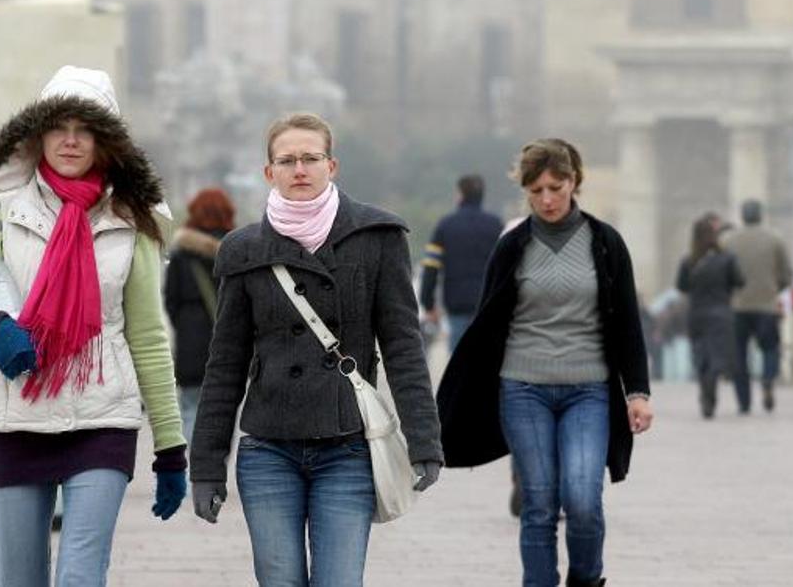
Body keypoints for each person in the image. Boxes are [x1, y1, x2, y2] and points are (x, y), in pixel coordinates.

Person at [0, 66, 186, 587]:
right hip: (16, 419)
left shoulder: (131, 220)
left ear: (106, 141)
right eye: (59, 127)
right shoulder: (3, 213)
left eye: (85, 129)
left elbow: (146, 336)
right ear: (37, 136)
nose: (71, 140)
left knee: (80, 576)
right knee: (19, 580)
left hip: (102, 422)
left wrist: (170, 445)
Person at [189, 112, 444, 586]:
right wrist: (206, 466)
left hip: (346, 445)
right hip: (269, 449)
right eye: (287, 160)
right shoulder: (242, 251)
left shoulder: (377, 237)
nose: (299, 169)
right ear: (269, 172)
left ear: (332, 165)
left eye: (311, 158)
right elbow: (225, 365)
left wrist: (424, 440)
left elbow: (404, 346)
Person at [437, 138, 654, 587]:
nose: (548, 199)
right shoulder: (512, 247)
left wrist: (637, 392)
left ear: (574, 182)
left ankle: (586, 579)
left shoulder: (605, 243)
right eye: (536, 190)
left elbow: (628, 322)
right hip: (524, 389)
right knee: (538, 502)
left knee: (582, 500)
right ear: (525, 191)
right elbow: (487, 325)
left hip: (588, 389)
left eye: (556, 187)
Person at [164, 187, 236, 443]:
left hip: (190, 344)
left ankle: (191, 472)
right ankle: (214, 471)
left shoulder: (182, 254)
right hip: (229, 345)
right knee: (224, 411)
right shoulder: (237, 251)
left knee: (191, 409)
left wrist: (185, 325)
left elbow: (170, 301)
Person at [722, 199, 793, 413]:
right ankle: (768, 379)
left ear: (742, 216)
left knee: (739, 356)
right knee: (771, 348)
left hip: (737, 306)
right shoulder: (775, 239)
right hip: (767, 305)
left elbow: (722, 273)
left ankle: (744, 403)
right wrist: (775, 288)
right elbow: (786, 274)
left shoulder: (728, 240)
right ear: (760, 215)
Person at [420, 174, 504, 351]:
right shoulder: (496, 225)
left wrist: (428, 304)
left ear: (460, 195)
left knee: (459, 366)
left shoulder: (445, 226)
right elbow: (506, 267)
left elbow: (430, 267)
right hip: (488, 306)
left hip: (456, 305)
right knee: (487, 364)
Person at [676, 217, 744, 418]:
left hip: (697, 314)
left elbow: (681, 286)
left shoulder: (689, 260)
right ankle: (711, 390)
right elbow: (740, 281)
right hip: (721, 314)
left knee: (701, 356)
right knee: (717, 357)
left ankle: (706, 393)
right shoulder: (728, 258)